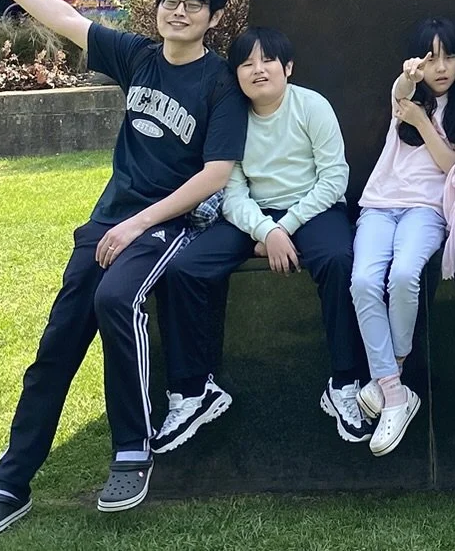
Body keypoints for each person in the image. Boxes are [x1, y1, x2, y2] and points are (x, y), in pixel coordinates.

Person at [0, 0, 247, 536]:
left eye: (193, 5)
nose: (178, 12)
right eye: (170, 1)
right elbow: (65, 18)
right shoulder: (137, 56)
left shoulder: (221, 83)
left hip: (164, 223)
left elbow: (215, 174)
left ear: (215, 18)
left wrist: (140, 223)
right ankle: (10, 483)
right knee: (57, 345)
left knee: (119, 300)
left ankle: (133, 453)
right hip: (107, 220)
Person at [152, 27, 365, 454]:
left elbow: (334, 177)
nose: (257, 70)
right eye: (246, 63)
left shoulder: (311, 106)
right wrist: (265, 230)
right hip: (253, 215)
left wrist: (286, 225)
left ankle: (345, 383)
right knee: (184, 270)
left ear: (287, 68)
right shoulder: (231, 117)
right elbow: (232, 192)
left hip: (314, 209)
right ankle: (194, 391)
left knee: (340, 260)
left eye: (267, 61)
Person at [349, 17, 455, 457]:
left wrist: (423, 122)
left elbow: (449, 167)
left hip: (426, 210)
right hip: (379, 205)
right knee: (363, 281)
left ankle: (389, 374)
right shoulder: (405, 98)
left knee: (403, 276)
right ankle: (396, 394)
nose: (441, 67)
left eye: (450, 56)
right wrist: (407, 77)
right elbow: (402, 91)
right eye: (431, 56)